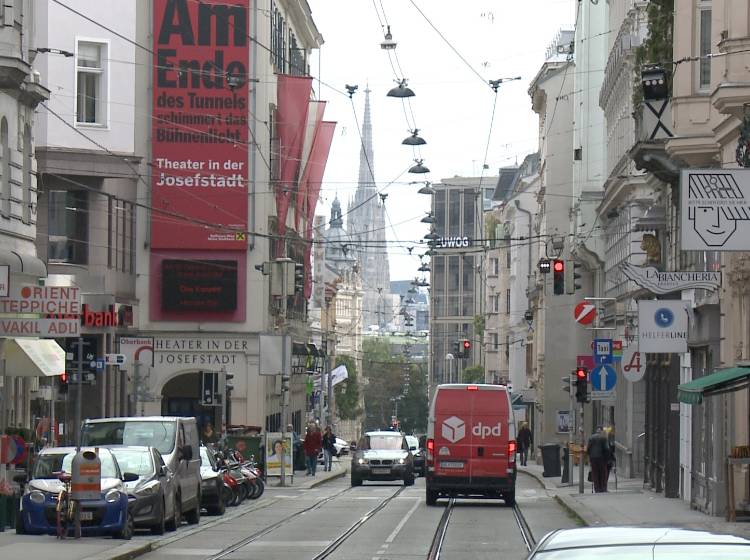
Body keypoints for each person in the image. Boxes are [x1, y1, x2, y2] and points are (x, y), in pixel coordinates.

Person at [586, 426, 611, 493]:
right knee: (603, 473)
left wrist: (589, 456)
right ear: (601, 431)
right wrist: (608, 458)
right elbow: (607, 449)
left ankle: (597, 489)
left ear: (596, 430)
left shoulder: (591, 437)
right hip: (601, 458)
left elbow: (588, 448)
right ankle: (603, 488)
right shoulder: (603, 438)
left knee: (595, 473)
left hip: (593, 458)